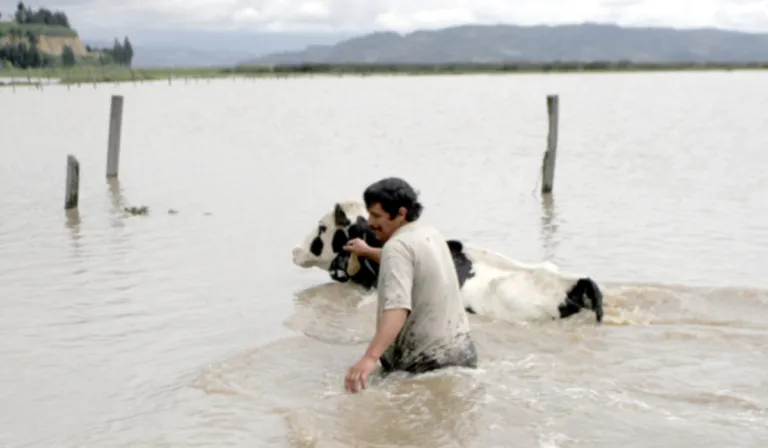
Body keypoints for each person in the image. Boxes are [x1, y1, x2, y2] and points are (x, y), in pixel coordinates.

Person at [343, 177, 478, 393]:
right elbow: (412, 264)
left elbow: (397, 308)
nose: (369, 222)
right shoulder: (429, 233)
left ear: (401, 214)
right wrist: (368, 251)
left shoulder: (396, 247)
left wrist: (369, 358)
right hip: (461, 354)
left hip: (424, 364)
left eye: (376, 215)